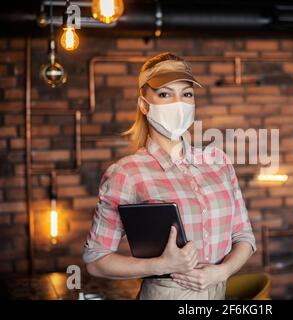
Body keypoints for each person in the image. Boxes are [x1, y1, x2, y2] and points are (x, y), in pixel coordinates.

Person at [82, 52, 256, 300]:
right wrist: (161, 265)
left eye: (186, 94)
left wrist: (221, 272)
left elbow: (243, 236)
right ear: (144, 105)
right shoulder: (127, 173)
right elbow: (96, 260)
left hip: (219, 293)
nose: (179, 103)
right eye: (165, 94)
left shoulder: (218, 162)